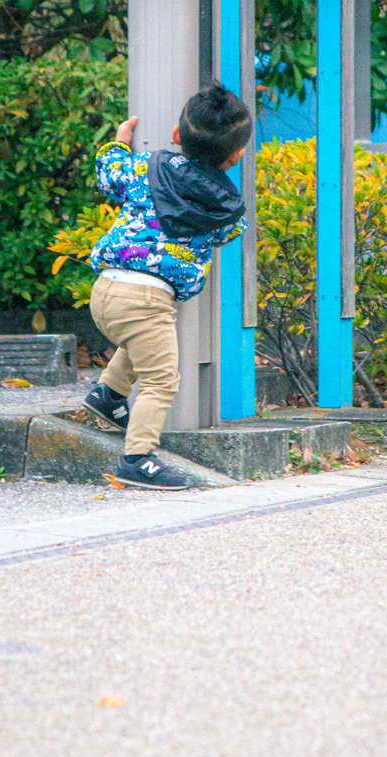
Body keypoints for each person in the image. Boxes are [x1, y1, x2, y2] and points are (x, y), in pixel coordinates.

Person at [84, 82, 252, 489]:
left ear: (177, 135)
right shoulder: (224, 209)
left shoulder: (144, 167)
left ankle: (108, 394)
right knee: (161, 379)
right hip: (147, 299)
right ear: (236, 155)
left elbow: (109, 175)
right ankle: (136, 458)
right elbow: (225, 235)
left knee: (143, 343)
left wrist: (118, 144)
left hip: (105, 290)